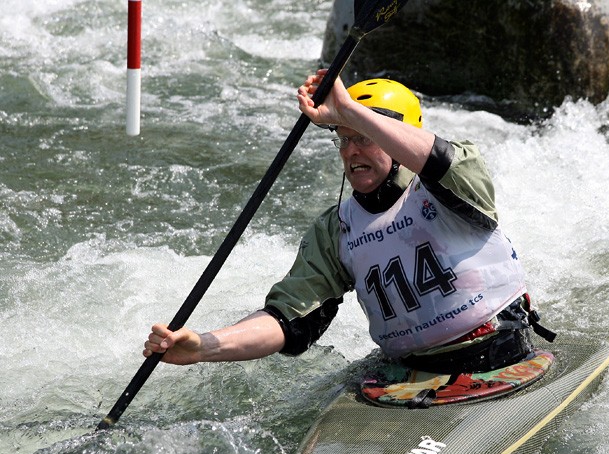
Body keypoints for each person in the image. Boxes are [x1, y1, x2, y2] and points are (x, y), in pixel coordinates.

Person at [143, 69, 554, 373]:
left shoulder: (456, 180)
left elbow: (436, 158)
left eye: (363, 137)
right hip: (406, 373)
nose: (350, 151)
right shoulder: (336, 228)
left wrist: (352, 112)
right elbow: (288, 319)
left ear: (397, 135)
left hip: (499, 352)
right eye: (343, 139)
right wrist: (202, 347)